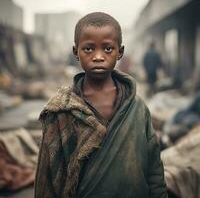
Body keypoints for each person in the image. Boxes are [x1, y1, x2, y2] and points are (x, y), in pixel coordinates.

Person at [35, 12, 168, 198]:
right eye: (88, 49)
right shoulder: (62, 110)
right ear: (76, 52)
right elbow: (47, 177)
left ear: (120, 52)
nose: (98, 56)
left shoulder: (137, 108)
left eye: (108, 49)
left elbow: (154, 167)